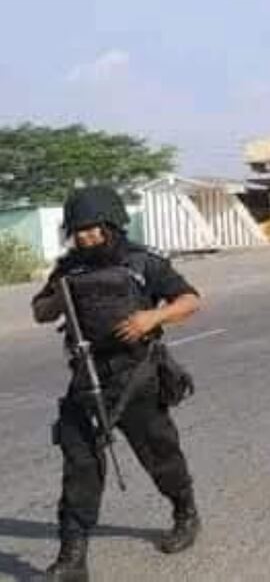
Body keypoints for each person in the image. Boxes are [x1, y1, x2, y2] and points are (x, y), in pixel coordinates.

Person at [31, 186, 202, 582]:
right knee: (80, 465)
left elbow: (190, 300)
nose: (87, 236)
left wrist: (151, 318)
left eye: (94, 228)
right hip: (87, 378)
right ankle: (72, 557)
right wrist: (57, 300)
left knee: (160, 455)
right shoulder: (68, 269)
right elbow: (40, 311)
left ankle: (185, 511)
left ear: (112, 226)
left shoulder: (142, 262)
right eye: (79, 230)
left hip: (136, 375)